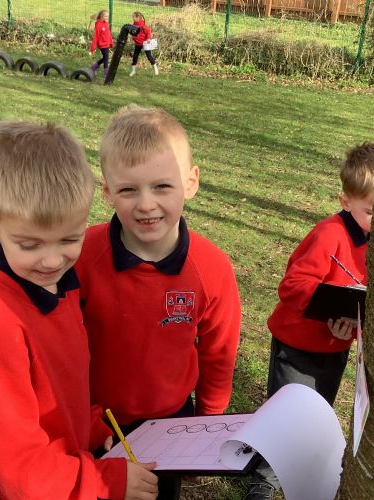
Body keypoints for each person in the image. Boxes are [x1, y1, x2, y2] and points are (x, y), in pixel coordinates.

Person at [0, 120, 159, 499]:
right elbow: (12, 467)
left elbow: (64, 383)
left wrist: (92, 426)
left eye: (69, 239)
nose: (52, 261)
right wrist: (104, 481)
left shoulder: (62, 284)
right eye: (30, 244)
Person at [75, 104, 241, 500]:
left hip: (172, 424)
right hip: (98, 422)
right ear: (108, 192)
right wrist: (87, 419)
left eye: (162, 186)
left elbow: (218, 356)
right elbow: (60, 348)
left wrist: (206, 429)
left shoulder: (212, 268)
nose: (146, 204)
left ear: (190, 182)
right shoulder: (81, 257)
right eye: (128, 190)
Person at [245, 141, 374, 500]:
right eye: (370, 211)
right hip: (298, 345)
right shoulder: (329, 235)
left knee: (317, 412)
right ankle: (263, 479)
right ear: (345, 201)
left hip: (336, 347)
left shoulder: (372, 242)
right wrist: (329, 309)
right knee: (287, 414)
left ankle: (300, 468)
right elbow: (292, 285)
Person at [129, 11, 158, 77]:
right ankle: (133, 70)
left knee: (149, 56)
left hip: (145, 43)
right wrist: (132, 36)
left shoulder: (143, 25)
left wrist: (148, 39)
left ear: (138, 17)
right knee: (135, 56)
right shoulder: (134, 24)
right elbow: (134, 32)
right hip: (138, 43)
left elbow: (148, 32)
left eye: (133, 17)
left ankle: (155, 67)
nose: (132, 18)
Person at [90, 10, 114, 78]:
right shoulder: (98, 25)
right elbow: (96, 37)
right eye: (105, 16)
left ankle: (94, 66)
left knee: (105, 57)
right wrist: (93, 47)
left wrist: (111, 42)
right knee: (106, 58)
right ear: (101, 16)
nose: (107, 18)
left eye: (107, 16)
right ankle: (106, 73)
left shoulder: (106, 23)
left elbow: (108, 34)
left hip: (107, 44)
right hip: (102, 45)